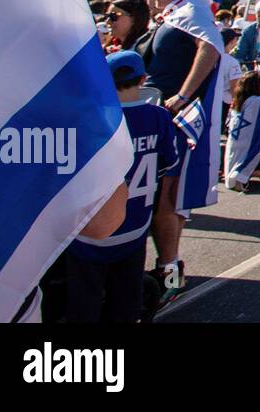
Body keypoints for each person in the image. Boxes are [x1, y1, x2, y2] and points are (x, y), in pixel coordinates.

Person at [64, 52, 178, 323]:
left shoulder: (90, 119)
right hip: (134, 228)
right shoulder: (158, 118)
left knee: (83, 306)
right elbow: (168, 170)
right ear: (142, 79)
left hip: (90, 233)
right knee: (125, 304)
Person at [138, 0, 226, 303]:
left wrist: (182, 96)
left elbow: (210, 47)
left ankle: (170, 273)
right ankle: (166, 269)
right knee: (160, 198)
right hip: (157, 117)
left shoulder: (191, 9)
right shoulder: (177, 12)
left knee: (167, 200)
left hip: (173, 121)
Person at [223, 69, 260, 192]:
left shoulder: (239, 100)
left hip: (237, 139)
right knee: (250, 156)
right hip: (247, 140)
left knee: (235, 158)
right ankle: (241, 176)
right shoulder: (256, 101)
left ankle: (236, 176)